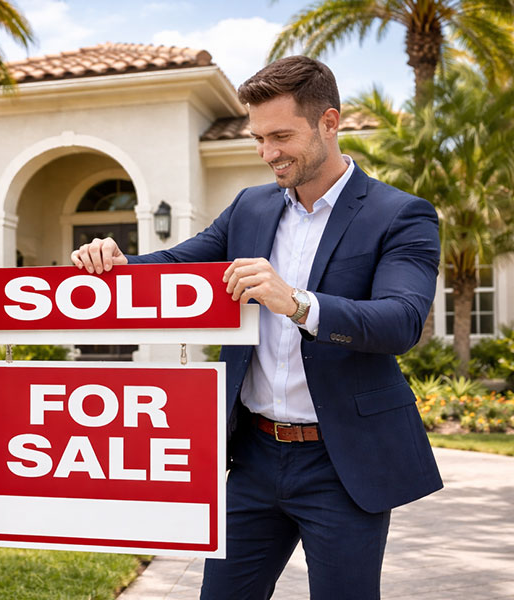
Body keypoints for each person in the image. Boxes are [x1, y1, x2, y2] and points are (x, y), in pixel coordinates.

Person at [70, 55, 443, 599]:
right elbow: (179, 263)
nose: (269, 153)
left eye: (282, 136)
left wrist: (296, 302)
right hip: (254, 456)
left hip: (343, 464)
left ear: (330, 123)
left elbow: (402, 320)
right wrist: (119, 262)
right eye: (259, 138)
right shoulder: (250, 207)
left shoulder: (399, 213)